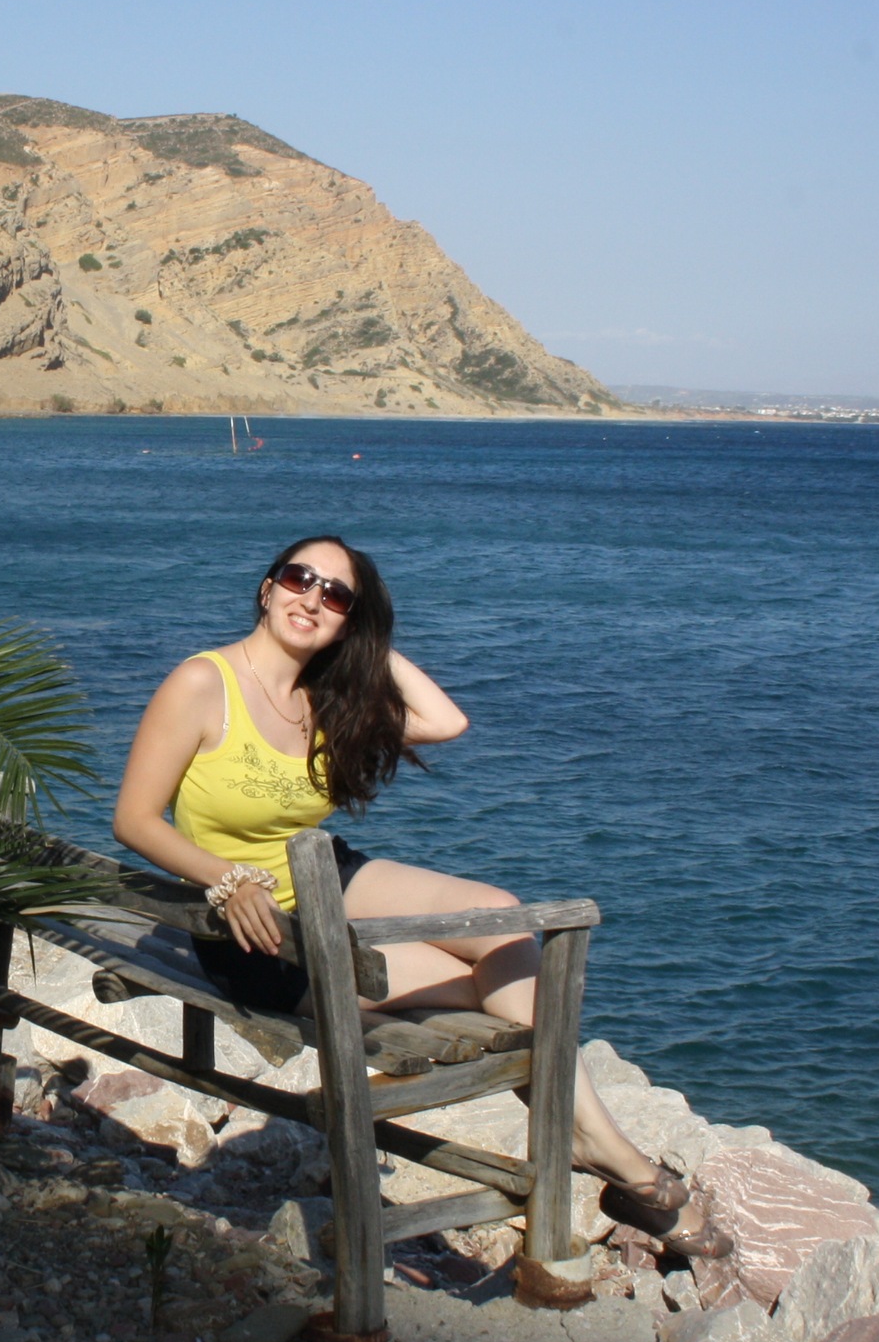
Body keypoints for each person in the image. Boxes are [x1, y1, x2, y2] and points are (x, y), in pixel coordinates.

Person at [111, 534, 729, 1258]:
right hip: (258, 929)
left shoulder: (327, 697)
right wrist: (227, 877)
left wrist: (365, 643)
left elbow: (446, 721)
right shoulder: (202, 682)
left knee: (503, 920)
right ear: (267, 587)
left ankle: (590, 1141)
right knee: (492, 989)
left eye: (336, 594)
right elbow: (135, 819)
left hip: (329, 878)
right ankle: (612, 1154)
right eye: (300, 578)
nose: (312, 598)